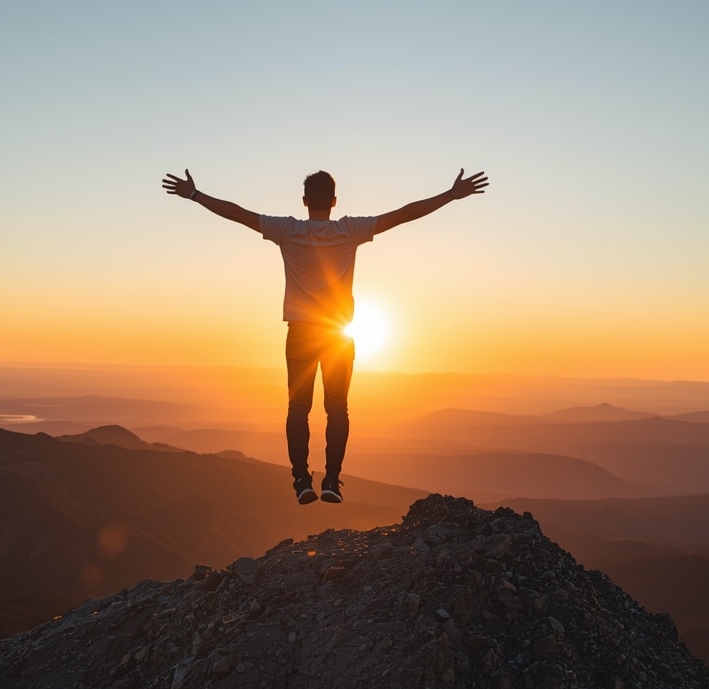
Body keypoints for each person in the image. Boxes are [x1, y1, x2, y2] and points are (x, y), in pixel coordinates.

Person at [161, 167, 489, 504]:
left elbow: (238, 214)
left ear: (304, 201)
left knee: (298, 408)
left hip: (301, 334)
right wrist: (450, 195)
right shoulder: (350, 230)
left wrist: (195, 195)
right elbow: (404, 214)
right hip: (338, 336)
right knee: (337, 409)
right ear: (334, 201)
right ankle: (332, 481)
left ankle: (302, 480)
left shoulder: (286, 230)